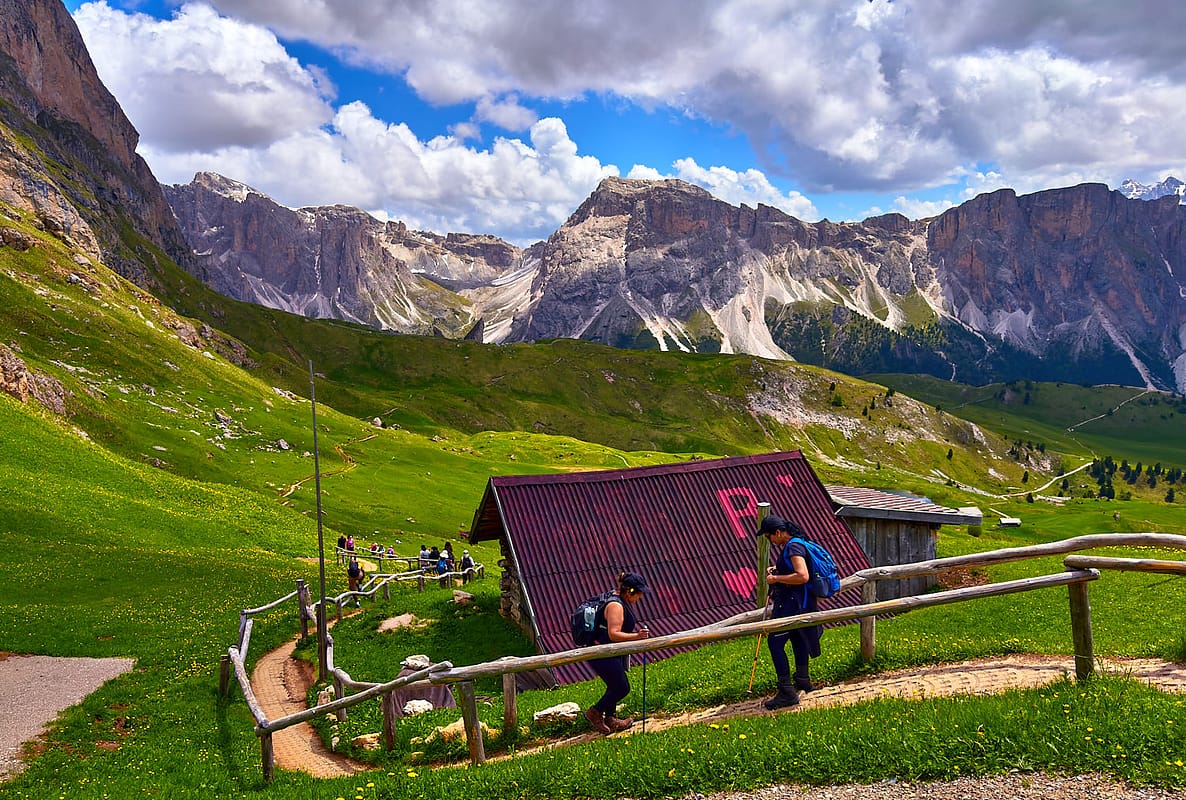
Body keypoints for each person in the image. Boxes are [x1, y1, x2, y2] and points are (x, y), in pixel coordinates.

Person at [757, 514, 822, 710]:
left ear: (778, 532)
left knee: (775, 642)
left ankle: (786, 692)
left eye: (769, 537)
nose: (770, 541)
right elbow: (797, 568)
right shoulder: (798, 542)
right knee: (797, 637)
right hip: (803, 602)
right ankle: (802, 679)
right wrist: (779, 569)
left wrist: (776, 580)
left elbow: (802, 575)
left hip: (792, 603)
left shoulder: (792, 546)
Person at [584, 572, 652, 734]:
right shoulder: (616, 606)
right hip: (601, 651)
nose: (640, 598)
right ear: (631, 592)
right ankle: (595, 712)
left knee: (614, 685)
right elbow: (613, 633)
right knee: (622, 687)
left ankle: (611, 718)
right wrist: (637, 636)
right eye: (639, 594)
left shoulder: (620, 600)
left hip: (609, 651)